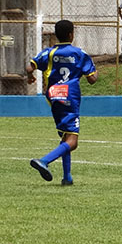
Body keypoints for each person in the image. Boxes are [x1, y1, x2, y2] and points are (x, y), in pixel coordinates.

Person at [26, 19, 98, 185]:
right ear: (71, 34)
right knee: (73, 141)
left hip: (53, 96)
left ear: (56, 35)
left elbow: (30, 67)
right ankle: (44, 161)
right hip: (70, 96)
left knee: (66, 136)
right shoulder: (79, 53)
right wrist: (94, 71)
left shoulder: (49, 52)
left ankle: (67, 178)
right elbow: (92, 79)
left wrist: (31, 77)